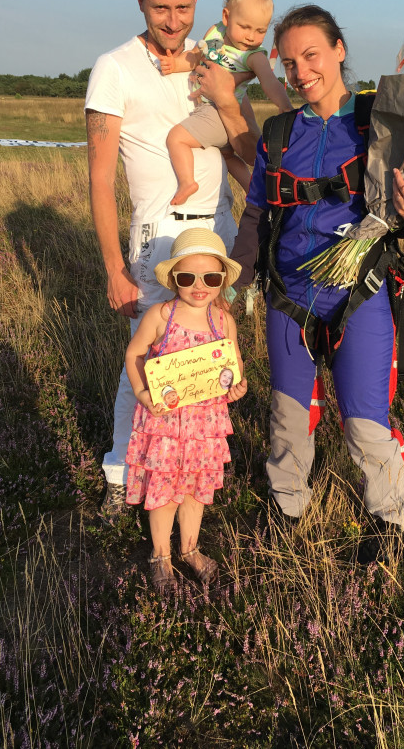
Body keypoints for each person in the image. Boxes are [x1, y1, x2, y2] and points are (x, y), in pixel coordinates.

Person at [230, 5, 404, 563]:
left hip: (361, 294)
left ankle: (392, 521)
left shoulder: (382, 123)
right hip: (290, 292)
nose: (300, 73)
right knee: (287, 413)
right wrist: (233, 286)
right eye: (289, 62)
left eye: (312, 56)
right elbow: (256, 214)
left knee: (366, 417)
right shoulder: (277, 134)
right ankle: (287, 503)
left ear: (340, 50)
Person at [85, 0, 258, 524]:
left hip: (219, 235)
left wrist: (230, 100)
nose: (173, 18)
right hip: (160, 243)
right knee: (143, 360)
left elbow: (245, 156)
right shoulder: (114, 68)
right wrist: (114, 267)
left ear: (199, 1)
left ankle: (189, 471)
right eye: (160, 6)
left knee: (208, 355)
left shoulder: (213, 65)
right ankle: (122, 471)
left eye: (184, 7)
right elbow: (102, 179)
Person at [123, 229, 247, 591]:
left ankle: (189, 548)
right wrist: (142, 391)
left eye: (210, 278)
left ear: (222, 280)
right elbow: (134, 354)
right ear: (174, 279)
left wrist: (238, 385)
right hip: (165, 423)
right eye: (187, 277)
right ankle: (161, 555)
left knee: (195, 489)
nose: (199, 286)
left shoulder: (224, 321)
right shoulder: (161, 316)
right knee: (164, 490)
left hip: (204, 424)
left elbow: (233, 363)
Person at [159, 0, 293, 204]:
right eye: (245, 27)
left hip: (217, 111)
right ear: (226, 17)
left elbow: (269, 81)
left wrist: (285, 106)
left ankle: (186, 181)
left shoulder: (253, 56)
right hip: (214, 109)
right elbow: (195, 57)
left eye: (260, 31)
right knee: (227, 155)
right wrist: (175, 65)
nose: (251, 37)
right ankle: (254, 189)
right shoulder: (215, 33)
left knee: (176, 138)